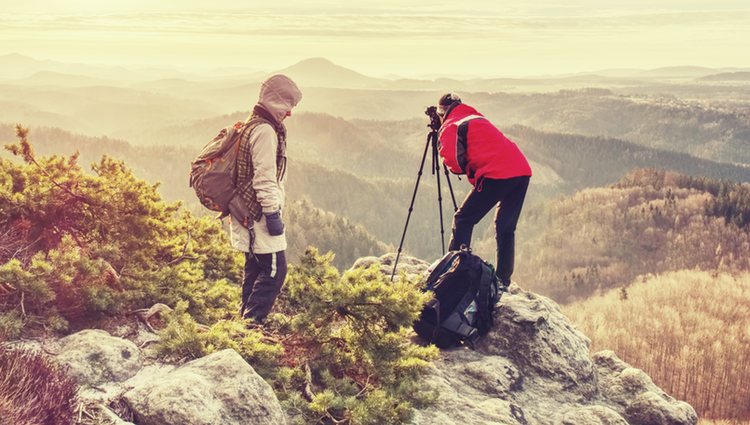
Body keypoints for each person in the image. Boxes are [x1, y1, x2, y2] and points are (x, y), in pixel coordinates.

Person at [436, 93, 532, 289]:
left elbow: (453, 161)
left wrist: (467, 167)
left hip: (497, 175)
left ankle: (455, 275)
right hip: (522, 171)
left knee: (463, 219)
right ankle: (503, 280)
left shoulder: (451, 125)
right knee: (505, 228)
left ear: (442, 112)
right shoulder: (476, 117)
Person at [230, 74, 302, 324]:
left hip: (245, 212)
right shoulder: (264, 131)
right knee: (275, 271)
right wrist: (272, 215)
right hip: (258, 214)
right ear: (273, 101)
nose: (290, 113)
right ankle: (252, 325)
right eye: (287, 105)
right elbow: (264, 179)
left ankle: (243, 323)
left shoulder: (254, 124)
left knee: (254, 269)